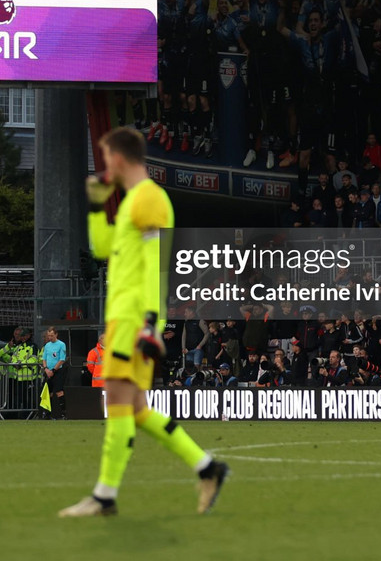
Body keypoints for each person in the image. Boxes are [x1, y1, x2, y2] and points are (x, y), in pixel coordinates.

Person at [60, 127, 228, 518]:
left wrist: (151, 323)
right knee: (135, 410)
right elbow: (102, 249)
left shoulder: (150, 199)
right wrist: (97, 205)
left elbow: (156, 267)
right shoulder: (132, 202)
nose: (104, 166)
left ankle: (104, 496)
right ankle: (208, 468)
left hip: (134, 319)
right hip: (126, 316)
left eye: (105, 156)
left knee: (117, 403)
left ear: (119, 158)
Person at [41, 326, 68, 420]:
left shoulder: (61, 344)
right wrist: (46, 369)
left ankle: (64, 414)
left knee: (59, 391)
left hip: (58, 371)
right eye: (49, 336)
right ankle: (47, 414)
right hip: (48, 371)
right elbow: (44, 358)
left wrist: (53, 370)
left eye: (52, 335)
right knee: (48, 392)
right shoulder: (47, 345)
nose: (50, 338)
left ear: (56, 334)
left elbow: (61, 359)